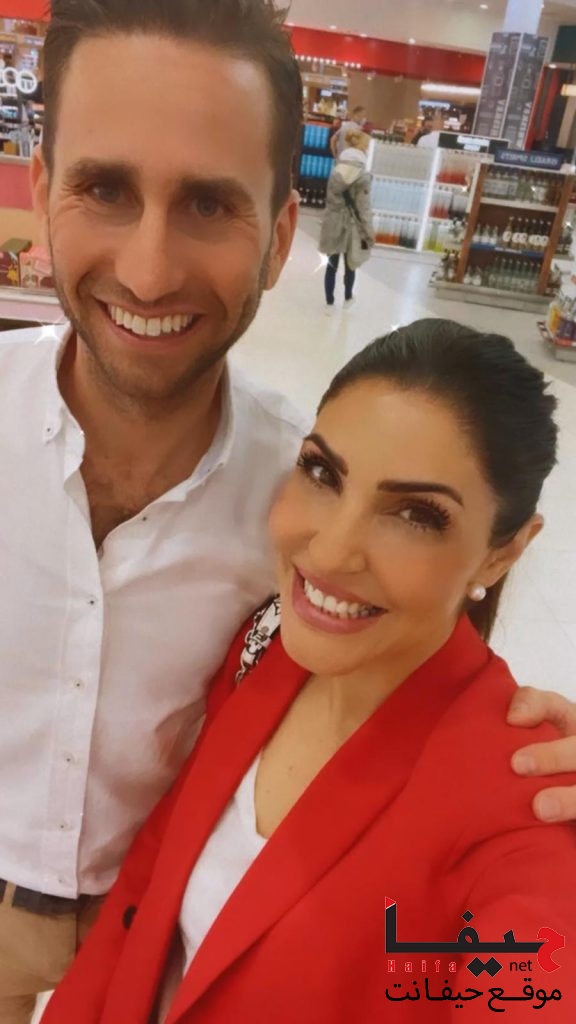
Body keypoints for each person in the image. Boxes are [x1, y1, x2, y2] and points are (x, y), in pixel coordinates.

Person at [1, 1, 576, 1020]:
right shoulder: (290, 576)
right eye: (105, 188)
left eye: (208, 204)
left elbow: (528, 963)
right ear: (42, 188)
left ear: (277, 240)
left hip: (133, 928)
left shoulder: (296, 501)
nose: (147, 272)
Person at [42, 320, 576, 1024]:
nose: (328, 553)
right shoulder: (267, 645)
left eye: (417, 514)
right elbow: (146, 894)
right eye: (323, 473)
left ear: (501, 553)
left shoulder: (527, 805)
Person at [319, 129, 374, 312]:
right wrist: (368, 232)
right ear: (362, 148)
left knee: (331, 265)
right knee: (351, 263)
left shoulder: (336, 170)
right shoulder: (363, 176)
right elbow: (363, 208)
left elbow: (329, 200)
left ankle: (329, 303)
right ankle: (348, 298)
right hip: (352, 226)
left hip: (333, 222)